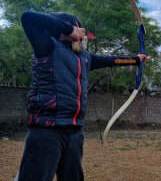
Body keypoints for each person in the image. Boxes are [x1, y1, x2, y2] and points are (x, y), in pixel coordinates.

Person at [16, 10, 148, 181]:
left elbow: (111, 60)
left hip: (75, 131)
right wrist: (70, 29)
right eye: (80, 30)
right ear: (67, 30)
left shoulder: (84, 57)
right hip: (46, 130)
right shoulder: (46, 46)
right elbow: (28, 17)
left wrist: (136, 59)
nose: (83, 35)